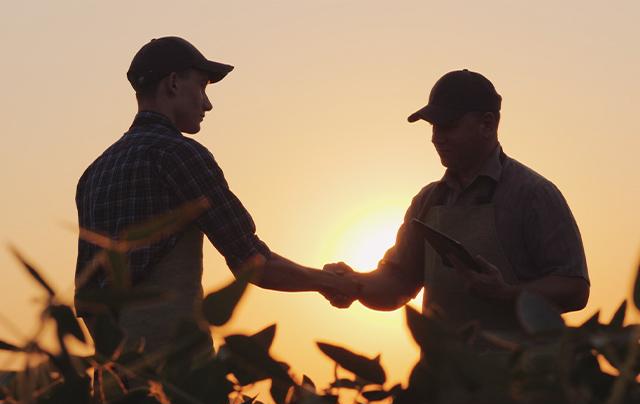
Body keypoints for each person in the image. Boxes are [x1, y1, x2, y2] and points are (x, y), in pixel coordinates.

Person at [75, 36, 357, 355]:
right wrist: (331, 283)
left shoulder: (93, 174)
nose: (207, 104)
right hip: (177, 373)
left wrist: (118, 367)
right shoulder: (180, 155)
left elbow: (86, 299)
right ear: (173, 84)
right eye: (202, 86)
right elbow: (252, 261)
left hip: (114, 380)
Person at [324, 69, 589, 333]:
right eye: (433, 127)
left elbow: (575, 290)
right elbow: (397, 286)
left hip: (518, 373)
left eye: (448, 126)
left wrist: (508, 293)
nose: (436, 137)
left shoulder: (534, 195)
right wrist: (353, 284)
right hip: (443, 373)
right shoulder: (427, 201)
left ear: (487, 124)